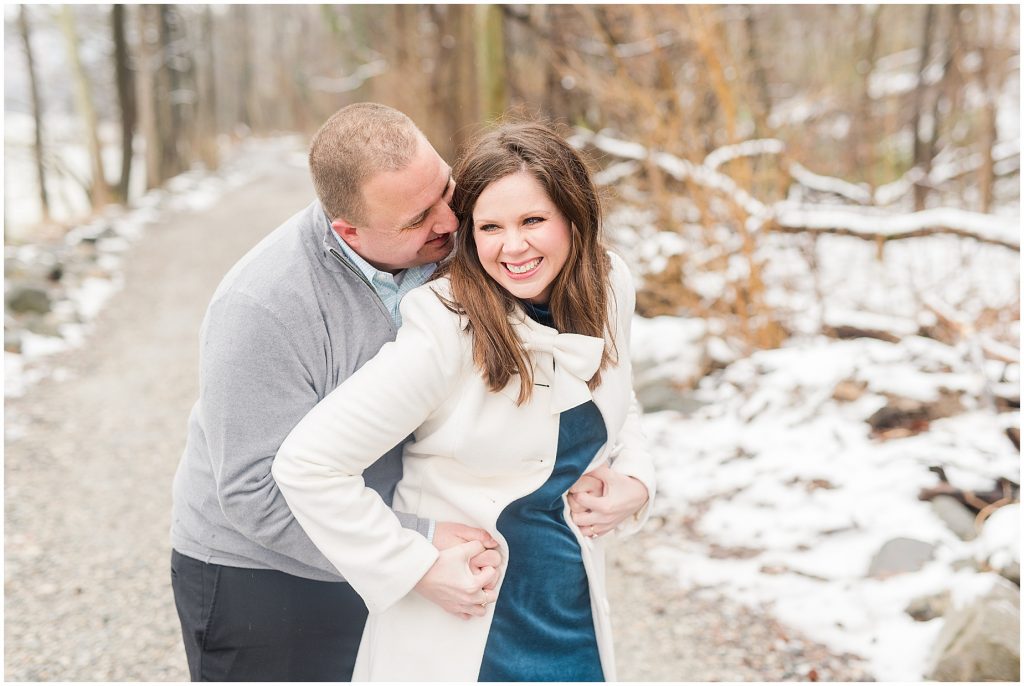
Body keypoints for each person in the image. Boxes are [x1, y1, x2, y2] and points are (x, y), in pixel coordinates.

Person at [169, 103, 647, 681]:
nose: (452, 223)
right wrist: (413, 553)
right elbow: (254, 489)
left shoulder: (466, 253)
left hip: (414, 551)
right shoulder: (264, 306)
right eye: (421, 217)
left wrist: (638, 478)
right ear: (351, 231)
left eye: (447, 190)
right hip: (266, 574)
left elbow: (602, 392)